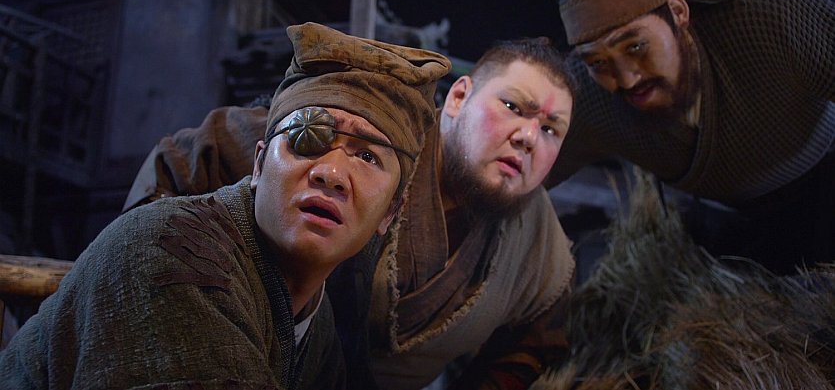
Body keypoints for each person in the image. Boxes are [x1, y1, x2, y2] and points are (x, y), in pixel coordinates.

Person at [0, 22, 451, 390]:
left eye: (367, 156)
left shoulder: (319, 328)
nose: (331, 173)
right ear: (258, 164)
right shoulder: (171, 254)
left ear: (389, 214)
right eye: (306, 137)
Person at [119, 37, 577, 390]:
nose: (528, 137)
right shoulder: (373, 132)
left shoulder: (539, 245)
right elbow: (194, 159)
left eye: (550, 129)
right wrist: (164, 284)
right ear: (458, 98)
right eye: (512, 107)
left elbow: (539, 340)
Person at [553, 0, 835, 273]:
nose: (627, 79)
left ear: (678, 12)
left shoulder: (766, 9)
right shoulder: (587, 95)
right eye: (598, 63)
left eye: (636, 47)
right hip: (732, 225)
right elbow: (524, 175)